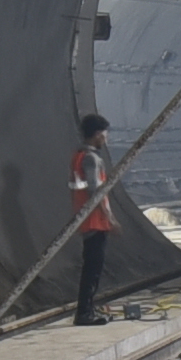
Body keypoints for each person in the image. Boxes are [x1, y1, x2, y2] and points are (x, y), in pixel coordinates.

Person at [67, 111, 122, 324]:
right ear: (98, 134)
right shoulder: (91, 158)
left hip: (86, 217)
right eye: (105, 134)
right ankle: (84, 313)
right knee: (93, 269)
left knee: (92, 267)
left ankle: (87, 310)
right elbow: (96, 191)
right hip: (94, 220)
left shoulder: (78, 155)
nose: (106, 138)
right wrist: (110, 218)